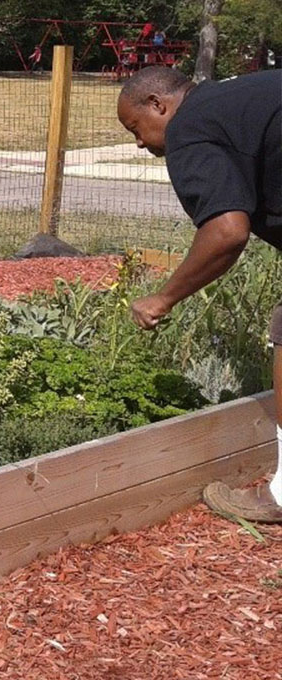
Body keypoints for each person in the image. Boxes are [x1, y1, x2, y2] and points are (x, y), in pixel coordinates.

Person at [117, 66, 282, 522]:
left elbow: (227, 231)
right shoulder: (237, 98)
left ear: (159, 105)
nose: (139, 142)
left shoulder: (189, 127)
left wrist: (163, 297)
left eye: (136, 128)